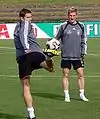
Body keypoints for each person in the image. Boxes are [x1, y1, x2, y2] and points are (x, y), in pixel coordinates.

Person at [14, 8, 55, 119]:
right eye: (27, 17)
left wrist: (26, 50)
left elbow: (22, 35)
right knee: (50, 68)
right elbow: (23, 36)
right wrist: (27, 48)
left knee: (26, 86)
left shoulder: (18, 27)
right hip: (34, 54)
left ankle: (31, 114)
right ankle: (48, 58)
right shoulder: (25, 25)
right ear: (21, 18)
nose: (30, 19)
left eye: (30, 17)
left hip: (24, 58)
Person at [55, 7, 89, 102]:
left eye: (74, 15)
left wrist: (84, 51)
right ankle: (66, 95)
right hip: (66, 55)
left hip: (78, 55)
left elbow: (84, 40)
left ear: (76, 16)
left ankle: (82, 94)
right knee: (66, 74)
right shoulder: (63, 26)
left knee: (81, 74)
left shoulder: (81, 26)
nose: (72, 17)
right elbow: (56, 39)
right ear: (68, 16)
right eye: (70, 15)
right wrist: (54, 48)